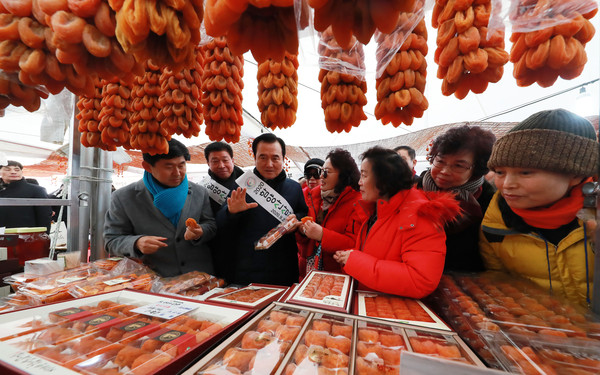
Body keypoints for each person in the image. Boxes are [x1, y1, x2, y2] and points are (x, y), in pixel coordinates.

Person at [480, 109, 598, 307]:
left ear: (575, 175)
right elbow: (499, 285)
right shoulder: (495, 223)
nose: (507, 184)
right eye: (500, 172)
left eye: (525, 172)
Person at [333, 147, 460, 298]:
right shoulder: (377, 209)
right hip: (370, 303)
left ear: (384, 179)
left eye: (364, 175)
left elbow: (420, 280)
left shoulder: (420, 215)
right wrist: (351, 258)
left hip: (392, 311)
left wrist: (355, 261)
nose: (359, 182)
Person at [104, 139, 216, 277]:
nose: (177, 173)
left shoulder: (199, 192)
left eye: (181, 165)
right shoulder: (123, 197)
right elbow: (111, 240)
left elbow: (210, 224)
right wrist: (136, 243)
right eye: (168, 167)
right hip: (153, 279)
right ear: (147, 166)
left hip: (198, 276)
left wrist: (201, 231)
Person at [216, 133, 308, 286]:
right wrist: (231, 212)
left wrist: (296, 220)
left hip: (284, 268)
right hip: (249, 270)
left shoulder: (294, 187)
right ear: (255, 158)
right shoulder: (242, 185)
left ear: (283, 159)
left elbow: (303, 213)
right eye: (263, 157)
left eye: (275, 158)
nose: (269, 164)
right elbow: (220, 223)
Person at [417, 125, 496, 272]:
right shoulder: (414, 188)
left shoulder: (489, 201)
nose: (445, 171)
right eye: (440, 161)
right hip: (413, 270)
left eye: (458, 165)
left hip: (462, 278)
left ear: (476, 170)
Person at [297, 149, 362, 278]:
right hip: (310, 273)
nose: (321, 176)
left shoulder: (357, 202)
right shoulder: (315, 197)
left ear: (343, 175)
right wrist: (300, 230)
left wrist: (322, 235)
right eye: (321, 171)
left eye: (325, 172)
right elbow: (305, 241)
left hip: (338, 277)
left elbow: (355, 244)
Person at [0, 160, 52, 232]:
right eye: (7, 169)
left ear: (22, 172)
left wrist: (42, 237)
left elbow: (44, 217)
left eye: (17, 169)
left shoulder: (36, 190)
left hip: (26, 237)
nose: (13, 172)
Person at [203, 141, 245, 214]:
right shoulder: (203, 190)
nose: (221, 166)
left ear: (232, 161)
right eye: (215, 161)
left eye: (225, 160)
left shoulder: (248, 182)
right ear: (208, 163)